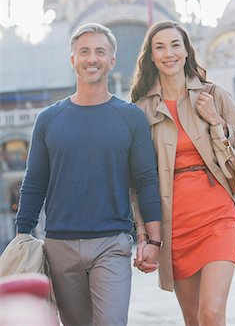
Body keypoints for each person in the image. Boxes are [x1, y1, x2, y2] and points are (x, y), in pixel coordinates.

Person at [16, 23, 161, 326]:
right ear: (73, 60)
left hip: (112, 242)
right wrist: (22, 234)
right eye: (84, 51)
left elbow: (146, 180)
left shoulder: (130, 117)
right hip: (59, 245)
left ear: (112, 60)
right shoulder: (48, 119)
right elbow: (35, 181)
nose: (91, 58)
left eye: (100, 52)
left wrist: (154, 241)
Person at [130, 21, 235, 326]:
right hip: (175, 224)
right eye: (159, 47)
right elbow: (138, 182)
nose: (169, 53)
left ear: (187, 51)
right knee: (193, 320)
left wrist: (217, 122)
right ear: (150, 56)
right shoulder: (139, 111)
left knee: (212, 313)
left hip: (218, 215)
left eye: (175, 45)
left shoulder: (214, 94)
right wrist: (145, 236)